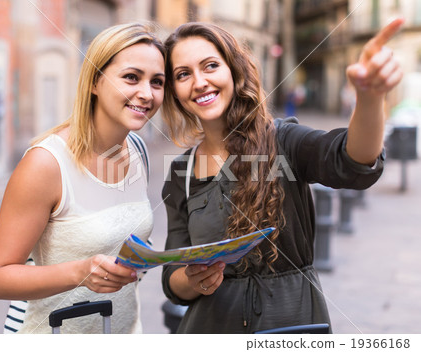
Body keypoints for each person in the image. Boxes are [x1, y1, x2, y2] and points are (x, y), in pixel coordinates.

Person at [160, 19, 404, 333]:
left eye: (210, 66)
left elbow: (351, 160)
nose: (199, 82)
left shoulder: (284, 141)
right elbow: (172, 278)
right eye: (183, 74)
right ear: (175, 91)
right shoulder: (181, 171)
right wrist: (191, 279)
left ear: (234, 71)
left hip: (290, 327)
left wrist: (370, 99)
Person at [0, 23, 165, 333]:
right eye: (131, 77)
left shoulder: (138, 149)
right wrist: (80, 272)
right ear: (95, 81)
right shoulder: (46, 163)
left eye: (157, 82)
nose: (146, 93)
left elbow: (126, 239)